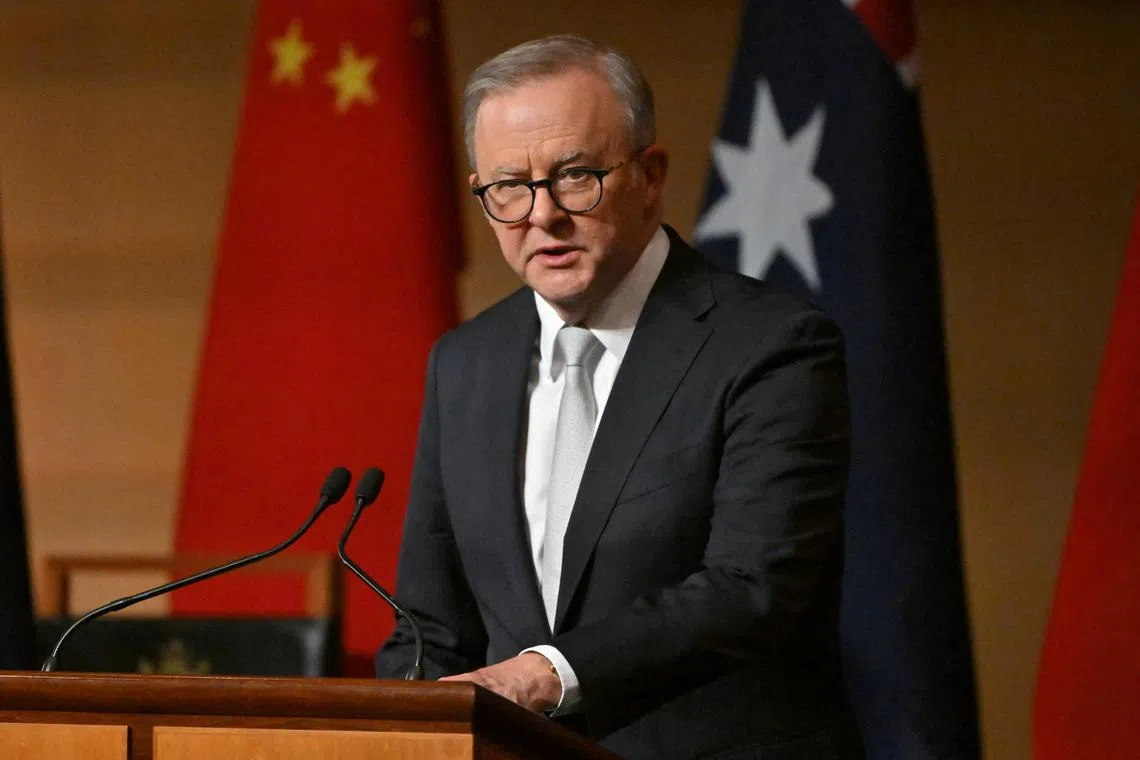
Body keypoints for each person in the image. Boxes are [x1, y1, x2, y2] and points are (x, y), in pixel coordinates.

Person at [376, 35, 863, 759]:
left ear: (649, 176)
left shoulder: (773, 346)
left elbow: (751, 588)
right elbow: (430, 626)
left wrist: (542, 675)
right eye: (509, 186)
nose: (542, 214)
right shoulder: (466, 362)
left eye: (575, 176)